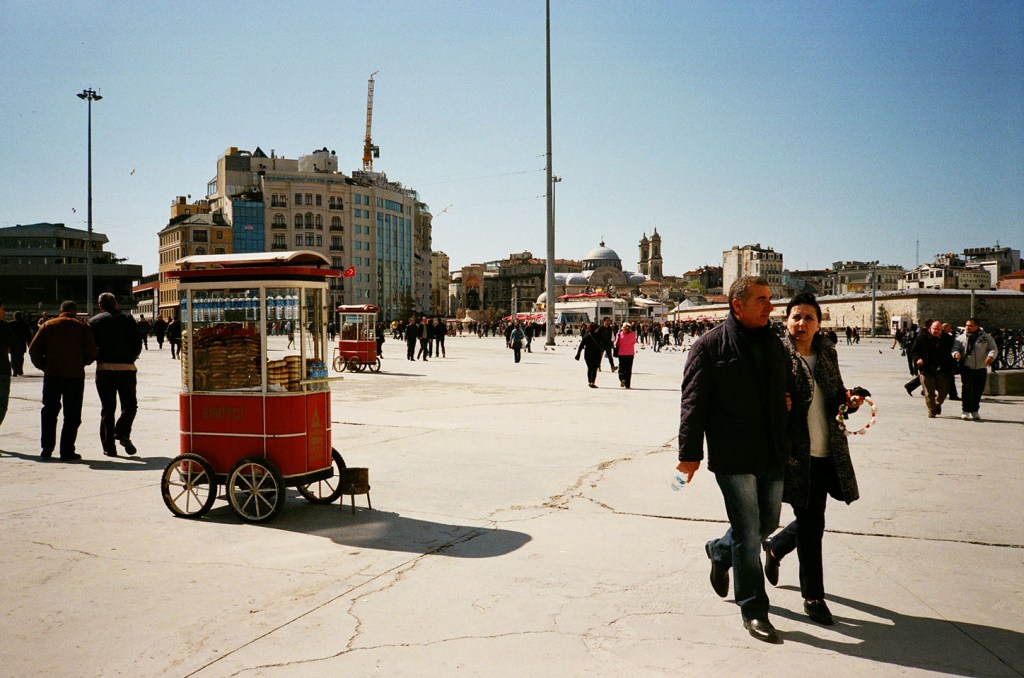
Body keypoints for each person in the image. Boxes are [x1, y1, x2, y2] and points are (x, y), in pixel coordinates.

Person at [677, 276, 791, 644]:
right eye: (761, 299)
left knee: (766, 524)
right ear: (737, 305)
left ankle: (718, 550)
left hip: (772, 449)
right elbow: (693, 404)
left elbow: (789, 384)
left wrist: (788, 400)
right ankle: (755, 610)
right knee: (747, 530)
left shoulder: (775, 342)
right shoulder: (709, 346)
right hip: (733, 453)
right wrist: (689, 454)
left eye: (770, 299)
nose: (770, 306)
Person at [763, 293, 863, 627]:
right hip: (792, 456)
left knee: (812, 522)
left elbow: (836, 397)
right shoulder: (776, 354)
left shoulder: (827, 354)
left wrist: (850, 402)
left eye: (808, 317)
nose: (801, 323)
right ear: (786, 321)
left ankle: (776, 547)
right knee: (809, 526)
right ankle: (813, 597)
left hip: (825, 451)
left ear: (819, 323)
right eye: (796, 317)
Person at [28, 300, 98, 460]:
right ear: (75, 311)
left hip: (52, 375)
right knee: (72, 414)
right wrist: (82, 362)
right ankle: (66, 450)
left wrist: (44, 366)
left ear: (60, 310)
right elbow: (92, 352)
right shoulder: (82, 327)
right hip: (74, 376)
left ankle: (47, 448)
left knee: (49, 411)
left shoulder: (48, 325)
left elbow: (33, 350)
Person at [90, 293, 142, 456]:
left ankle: (109, 447)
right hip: (126, 368)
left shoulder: (95, 321)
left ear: (100, 306)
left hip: (104, 369)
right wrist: (131, 356)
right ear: (116, 304)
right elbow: (137, 342)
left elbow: (91, 346)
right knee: (130, 405)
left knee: (108, 408)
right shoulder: (128, 319)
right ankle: (122, 431)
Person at [952, 319, 998, 421]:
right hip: (967, 367)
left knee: (978, 390)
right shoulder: (961, 338)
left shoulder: (986, 337)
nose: (967, 327)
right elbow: (955, 348)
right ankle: (965, 411)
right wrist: (956, 354)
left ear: (977, 326)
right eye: (966, 325)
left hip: (981, 367)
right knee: (967, 389)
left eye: (970, 326)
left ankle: (974, 410)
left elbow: (993, 348)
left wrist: (990, 357)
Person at [912, 320, 950, 418]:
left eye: (938, 329)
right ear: (930, 329)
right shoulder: (922, 337)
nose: (936, 331)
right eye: (934, 329)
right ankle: (932, 411)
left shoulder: (947, 339)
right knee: (929, 392)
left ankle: (937, 403)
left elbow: (951, 352)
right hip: (926, 369)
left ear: (942, 330)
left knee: (944, 390)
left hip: (942, 369)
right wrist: (918, 359)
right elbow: (914, 351)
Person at [575, 322, 604, 388]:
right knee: (594, 368)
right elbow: (602, 345)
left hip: (587, 354)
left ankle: (589, 381)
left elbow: (581, 346)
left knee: (590, 368)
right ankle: (592, 382)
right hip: (596, 354)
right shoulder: (598, 335)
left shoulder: (586, 336)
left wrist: (578, 354)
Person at [0, 300, 15, 431]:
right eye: (2, 309)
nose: (4, 312)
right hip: (2, 370)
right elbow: (15, 345)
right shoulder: (3, 327)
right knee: (1, 404)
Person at [614, 322, 637, 389]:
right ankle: (628, 384)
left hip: (621, 354)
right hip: (630, 354)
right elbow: (634, 342)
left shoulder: (619, 334)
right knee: (628, 369)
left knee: (621, 368)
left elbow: (616, 344)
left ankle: (622, 379)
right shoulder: (633, 334)